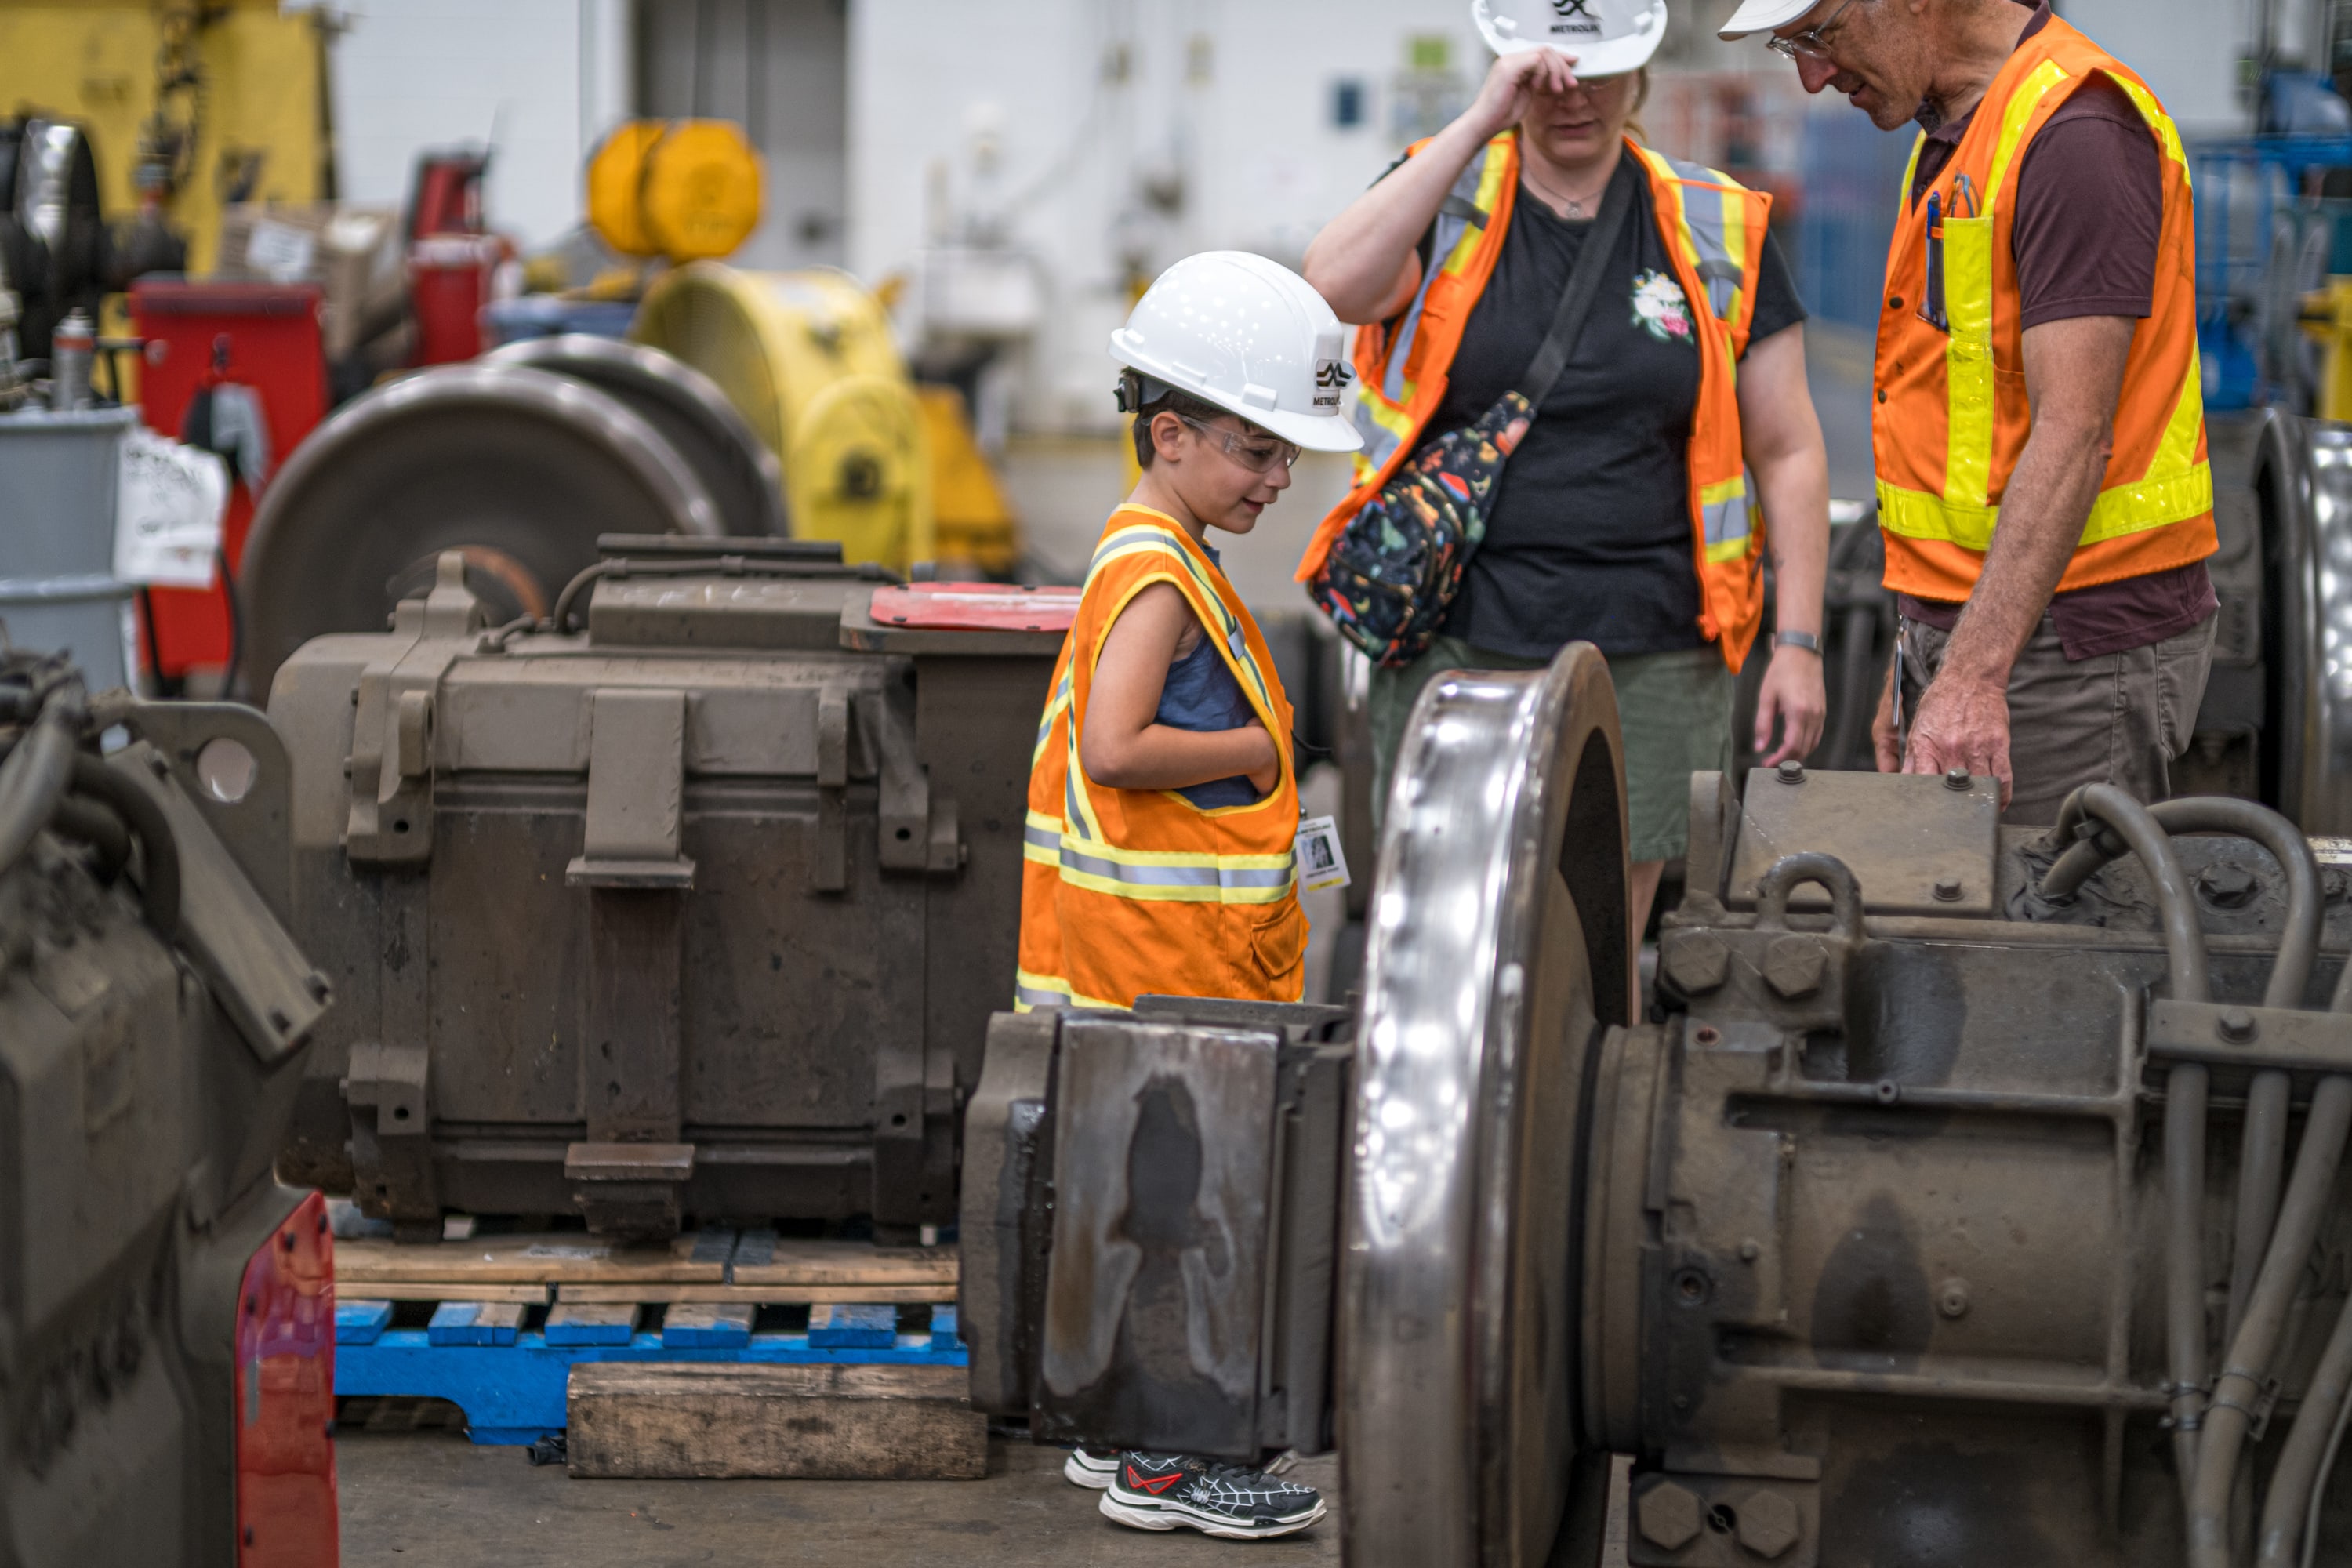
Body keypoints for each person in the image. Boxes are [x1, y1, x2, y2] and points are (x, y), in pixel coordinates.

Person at [1300, 0, 1831, 939]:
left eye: (1598, 74)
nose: (1573, 97)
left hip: (1656, 643)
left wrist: (1798, 643)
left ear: (1642, 76)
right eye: (1549, 75)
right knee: (1449, 921)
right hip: (1459, 638)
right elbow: (1329, 287)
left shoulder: (1716, 225)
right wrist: (1477, 120)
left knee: (1597, 945)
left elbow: (1786, 449)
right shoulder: (1453, 195)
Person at [1018, 249, 1355, 1540]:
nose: (1278, 480)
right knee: (1191, 1216)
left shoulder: (1155, 545)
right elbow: (1116, 747)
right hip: (1164, 972)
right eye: (1260, 454)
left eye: (1285, 458)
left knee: (1150, 1208)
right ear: (1172, 433)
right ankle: (1176, 1462)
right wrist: (1260, 753)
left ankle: (1126, 1441)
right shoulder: (1158, 572)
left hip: (1158, 964)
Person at [1722, 0, 2217, 825]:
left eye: (1818, 35)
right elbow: (1967, 437)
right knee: (1959, 918)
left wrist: (1972, 675)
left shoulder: (2077, 131)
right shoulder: (1956, 135)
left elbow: (2074, 432)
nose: (1812, 76)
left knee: (2039, 942)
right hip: (1997, 632)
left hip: (2070, 648)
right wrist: (1918, 654)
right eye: (1791, 45)